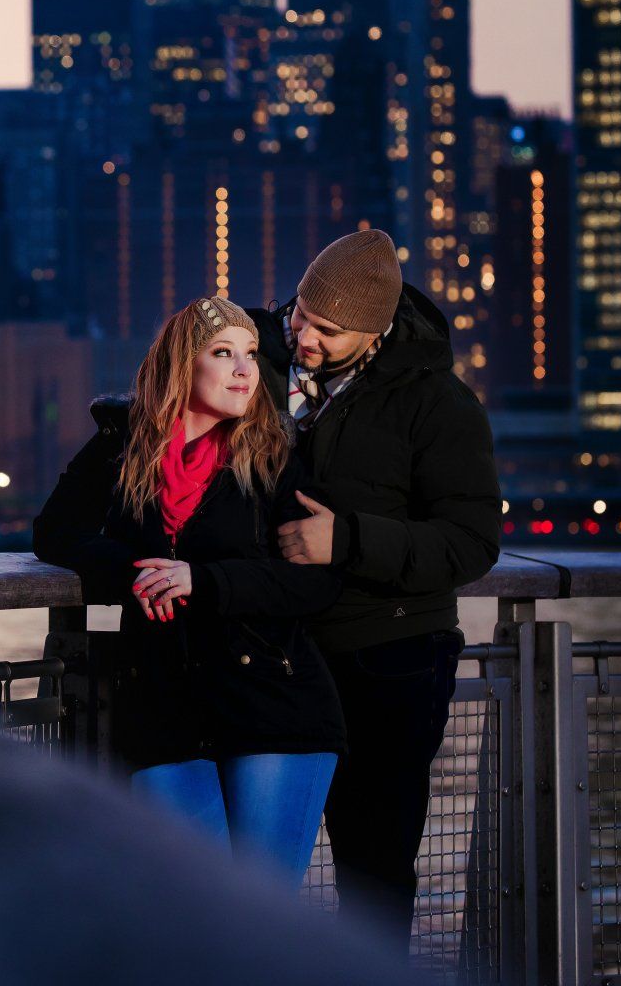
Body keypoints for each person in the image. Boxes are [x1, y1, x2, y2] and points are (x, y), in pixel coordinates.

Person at [33, 296, 345, 887]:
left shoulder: (273, 459)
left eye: (251, 353)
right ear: (182, 364)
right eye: (223, 352)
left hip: (270, 706)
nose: (245, 370)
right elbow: (54, 533)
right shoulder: (122, 448)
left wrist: (202, 581)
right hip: (165, 710)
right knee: (194, 910)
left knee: (259, 917)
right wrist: (132, 573)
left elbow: (316, 580)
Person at [248, 230, 500, 952]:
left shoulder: (440, 406)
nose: (306, 338)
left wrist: (348, 540)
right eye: (300, 316)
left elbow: (471, 542)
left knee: (373, 872)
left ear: (378, 331)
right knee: (252, 869)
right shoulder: (257, 364)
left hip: (387, 661)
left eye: (329, 331)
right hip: (274, 656)